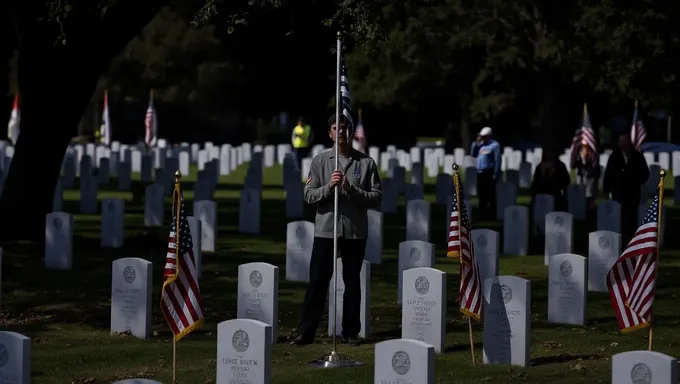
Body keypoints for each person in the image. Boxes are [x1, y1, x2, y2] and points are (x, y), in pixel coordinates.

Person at [288, 114, 382, 346]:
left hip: (354, 232)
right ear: (329, 133)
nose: (340, 132)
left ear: (350, 132)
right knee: (317, 282)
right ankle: (306, 332)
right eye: (335, 128)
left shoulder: (366, 163)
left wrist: (351, 190)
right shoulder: (320, 161)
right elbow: (309, 195)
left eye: (344, 128)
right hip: (326, 231)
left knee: (351, 283)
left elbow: (376, 198)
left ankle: (350, 332)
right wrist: (329, 187)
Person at [603, 132, 650, 246]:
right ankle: (619, 242)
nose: (622, 144)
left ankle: (631, 242)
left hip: (632, 194)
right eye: (621, 141)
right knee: (619, 220)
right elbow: (608, 174)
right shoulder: (614, 157)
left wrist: (636, 180)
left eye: (624, 141)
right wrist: (606, 189)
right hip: (618, 194)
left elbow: (645, 173)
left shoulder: (637, 156)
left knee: (631, 220)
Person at [470, 126, 501, 219]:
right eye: (481, 136)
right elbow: (473, 154)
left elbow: (497, 160)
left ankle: (492, 214)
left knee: (490, 194)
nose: (482, 138)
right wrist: (476, 143)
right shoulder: (481, 145)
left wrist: (496, 174)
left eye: (484, 136)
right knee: (481, 194)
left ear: (489, 136)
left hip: (489, 172)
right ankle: (482, 213)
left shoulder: (495, 145)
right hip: (480, 172)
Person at [531, 148, 571, 212]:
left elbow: (566, 183)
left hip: (555, 196)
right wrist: (543, 175)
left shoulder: (560, 166)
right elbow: (535, 186)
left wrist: (552, 176)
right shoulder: (539, 167)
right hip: (542, 195)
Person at [570, 144, 601, 210]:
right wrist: (575, 155)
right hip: (580, 185)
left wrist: (585, 159)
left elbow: (595, 168)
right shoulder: (577, 156)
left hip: (590, 186)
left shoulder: (593, 155)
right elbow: (572, 166)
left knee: (590, 204)